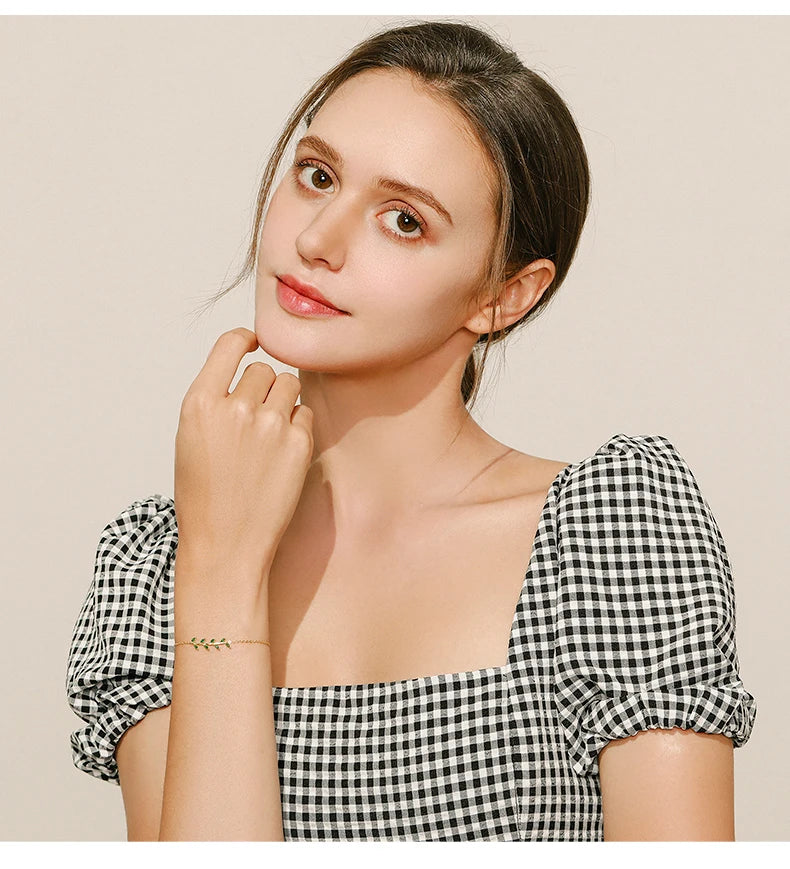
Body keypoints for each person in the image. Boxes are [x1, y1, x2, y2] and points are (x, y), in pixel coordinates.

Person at [65, 20, 757, 842]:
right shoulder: (158, 568)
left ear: (504, 295)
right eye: (317, 176)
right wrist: (220, 572)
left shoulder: (611, 537)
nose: (315, 240)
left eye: (403, 221)